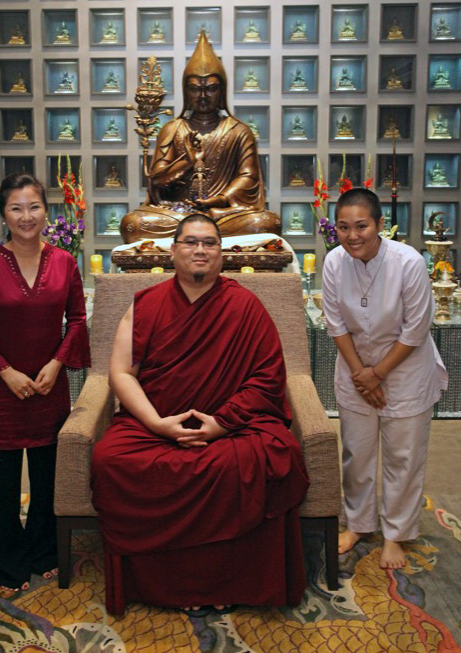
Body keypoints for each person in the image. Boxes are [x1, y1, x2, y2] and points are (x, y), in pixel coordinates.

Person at [91, 214, 309, 613]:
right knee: (111, 459)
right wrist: (157, 423)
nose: (200, 250)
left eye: (209, 243)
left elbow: (268, 378)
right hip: (158, 420)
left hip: (229, 425)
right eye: (190, 242)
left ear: (221, 254)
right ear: (172, 251)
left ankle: (229, 584)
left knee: (275, 455)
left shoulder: (245, 306)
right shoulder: (147, 304)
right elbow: (120, 373)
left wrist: (221, 425)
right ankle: (162, 586)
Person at [0, 174, 90, 592]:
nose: (26, 216)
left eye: (33, 206)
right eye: (16, 208)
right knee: (0, 480)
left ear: (46, 212)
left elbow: (79, 321)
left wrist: (57, 363)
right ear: (2, 215)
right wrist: (6, 371)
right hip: (1, 389)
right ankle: (9, 559)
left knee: (48, 474)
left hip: (49, 386)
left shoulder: (65, 262)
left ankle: (43, 549)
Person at [321, 189, 447, 570]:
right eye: (343, 227)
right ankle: (359, 523)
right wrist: (362, 374)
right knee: (356, 454)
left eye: (361, 226)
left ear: (379, 226)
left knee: (403, 456)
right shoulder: (333, 263)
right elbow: (335, 323)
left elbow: (415, 329)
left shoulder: (407, 262)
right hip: (355, 368)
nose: (352, 235)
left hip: (405, 370)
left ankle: (396, 533)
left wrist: (376, 374)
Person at [120, 31, 281, 242]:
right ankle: (195, 233)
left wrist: (220, 199)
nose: (203, 96)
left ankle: (198, 231)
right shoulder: (173, 129)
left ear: (221, 91)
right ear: (186, 92)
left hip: (222, 214)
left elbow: (248, 177)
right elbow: (157, 181)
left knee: (266, 223)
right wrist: (187, 161)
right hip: (178, 213)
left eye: (211, 89)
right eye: (195, 89)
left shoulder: (239, 131)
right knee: (133, 224)